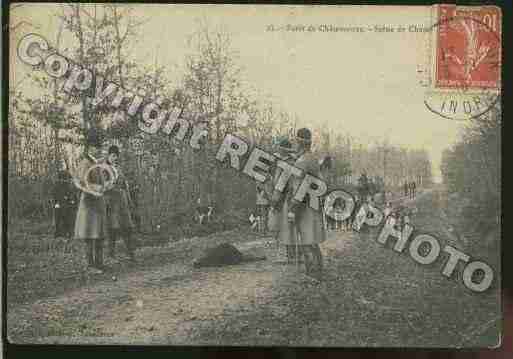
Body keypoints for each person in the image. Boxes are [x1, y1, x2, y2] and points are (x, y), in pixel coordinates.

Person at [288, 128, 326, 279]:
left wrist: (292, 208)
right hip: (313, 203)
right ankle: (318, 272)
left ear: (301, 143)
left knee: (306, 241)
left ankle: (313, 275)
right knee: (312, 240)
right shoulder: (313, 159)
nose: (294, 145)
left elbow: (299, 189)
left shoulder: (302, 162)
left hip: (304, 206)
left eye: (295, 142)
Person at [72, 129, 109, 274]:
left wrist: (105, 186)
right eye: (94, 146)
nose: (97, 149)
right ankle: (90, 266)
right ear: (88, 147)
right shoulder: (85, 163)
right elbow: (80, 182)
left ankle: (99, 264)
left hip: (98, 204)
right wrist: (96, 188)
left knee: (99, 234)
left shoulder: (96, 164)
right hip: (88, 204)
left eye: (98, 146)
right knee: (89, 235)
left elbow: (102, 181)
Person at [104, 145, 137, 263]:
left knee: (126, 227)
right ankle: (111, 255)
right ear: (108, 156)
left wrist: (129, 200)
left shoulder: (119, 168)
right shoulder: (104, 168)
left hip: (122, 201)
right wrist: (111, 185)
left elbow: (124, 184)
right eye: (113, 156)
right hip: (111, 202)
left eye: (117, 156)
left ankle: (130, 254)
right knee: (112, 229)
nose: (115, 158)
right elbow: (104, 186)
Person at [270, 136, 297, 263]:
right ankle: (290, 254)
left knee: (288, 226)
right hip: (284, 195)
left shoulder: (289, 163)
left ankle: (290, 255)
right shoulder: (281, 161)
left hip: (288, 196)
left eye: (280, 149)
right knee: (284, 225)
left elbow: (284, 183)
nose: (278, 152)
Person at [53, 169, 78, 238]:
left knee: (69, 221)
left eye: (67, 178)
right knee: (59, 221)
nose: (66, 180)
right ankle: (59, 234)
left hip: (69, 207)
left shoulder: (71, 186)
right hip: (60, 206)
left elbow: (74, 196)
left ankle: (69, 234)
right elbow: (55, 196)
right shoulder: (57, 186)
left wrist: (73, 203)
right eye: (64, 178)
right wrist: (57, 203)